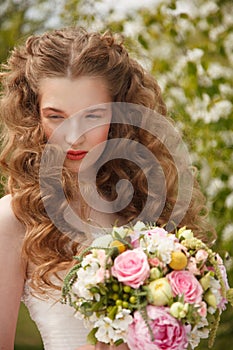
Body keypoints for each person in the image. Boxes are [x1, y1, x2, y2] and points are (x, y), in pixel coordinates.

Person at [0, 26, 215, 350]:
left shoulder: (148, 204)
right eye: (56, 116)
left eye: (93, 116)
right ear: (33, 115)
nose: (74, 136)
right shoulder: (14, 220)